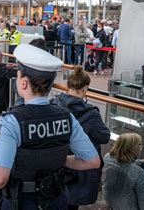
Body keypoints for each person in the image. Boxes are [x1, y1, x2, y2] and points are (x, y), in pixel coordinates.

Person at [0, 44, 100, 209]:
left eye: (18, 76)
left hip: (22, 201)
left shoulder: (11, 121)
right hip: (56, 200)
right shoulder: (67, 117)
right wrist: (60, 160)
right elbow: (92, 161)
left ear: (24, 83)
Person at [51, 66, 110, 209]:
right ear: (85, 89)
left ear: (68, 86)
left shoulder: (54, 104)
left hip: (55, 162)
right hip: (78, 169)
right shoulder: (90, 114)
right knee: (71, 204)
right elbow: (104, 137)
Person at [103, 133, 144, 210]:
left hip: (110, 201)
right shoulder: (139, 172)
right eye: (139, 145)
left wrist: (138, 162)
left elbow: (122, 165)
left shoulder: (107, 157)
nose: (141, 148)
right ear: (133, 149)